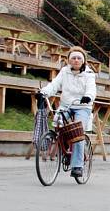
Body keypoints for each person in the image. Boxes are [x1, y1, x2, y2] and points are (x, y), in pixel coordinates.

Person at [38, 46, 96, 179]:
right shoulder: (64, 71)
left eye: (79, 58)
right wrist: (43, 92)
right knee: (57, 122)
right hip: (66, 105)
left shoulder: (89, 74)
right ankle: (63, 149)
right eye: (73, 58)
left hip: (83, 106)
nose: (76, 60)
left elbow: (92, 89)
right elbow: (54, 85)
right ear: (69, 60)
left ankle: (77, 166)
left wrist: (88, 96)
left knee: (77, 132)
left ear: (83, 61)